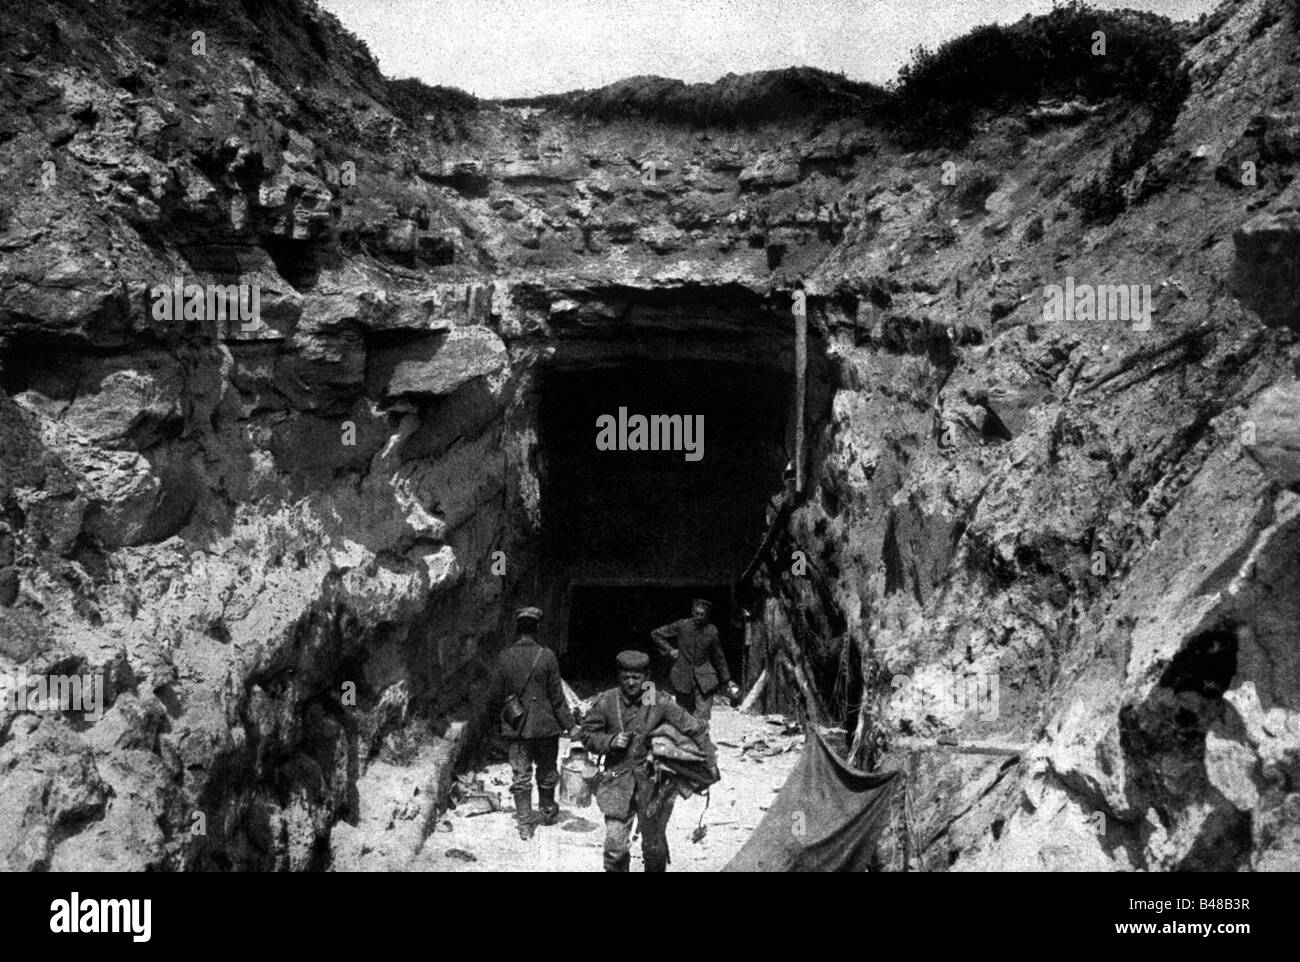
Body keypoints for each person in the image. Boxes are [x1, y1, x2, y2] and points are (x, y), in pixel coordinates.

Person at [580, 650, 719, 872]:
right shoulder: (607, 701)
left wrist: (709, 763)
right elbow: (586, 735)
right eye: (626, 677)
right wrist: (610, 741)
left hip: (655, 785)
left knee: (654, 848)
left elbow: (694, 728)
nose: (632, 683)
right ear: (619, 676)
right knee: (615, 848)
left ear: (648, 676)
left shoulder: (657, 700)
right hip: (617, 781)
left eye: (637, 677)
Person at [490, 606, 581, 840]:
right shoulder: (547, 656)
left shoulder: (504, 656)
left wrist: (498, 724)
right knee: (547, 771)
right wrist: (571, 726)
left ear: (517, 630)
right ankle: (548, 811)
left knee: (520, 775)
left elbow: (495, 694)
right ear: (537, 629)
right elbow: (557, 697)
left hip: (517, 728)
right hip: (545, 726)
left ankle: (524, 825)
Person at [651, 598, 738, 721]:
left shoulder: (711, 631)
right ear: (692, 612)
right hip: (682, 677)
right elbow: (656, 634)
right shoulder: (682, 625)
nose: (699, 617)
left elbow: (719, 657)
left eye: (702, 614)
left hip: (705, 678)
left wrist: (727, 679)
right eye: (697, 614)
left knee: (702, 716)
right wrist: (670, 650)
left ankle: (702, 737)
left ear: (707, 615)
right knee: (684, 715)